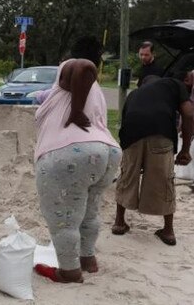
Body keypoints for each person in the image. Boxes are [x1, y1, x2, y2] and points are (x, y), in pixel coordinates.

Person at [33, 36, 121, 284]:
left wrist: (75, 112)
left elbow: (83, 66)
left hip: (70, 152)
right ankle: (87, 260)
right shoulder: (97, 91)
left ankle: (69, 271)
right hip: (107, 152)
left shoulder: (72, 65)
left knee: (63, 218)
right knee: (89, 212)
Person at [112, 72, 194, 246]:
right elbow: (189, 114)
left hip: (131, 133)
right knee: (165, 179)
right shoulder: (174, 83)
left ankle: (119, 222)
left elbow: (125, 121)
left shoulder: (135, 94)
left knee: (127, 175)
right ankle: (168, 230)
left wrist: (135, 159)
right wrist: (185, 150)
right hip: (161, 132)